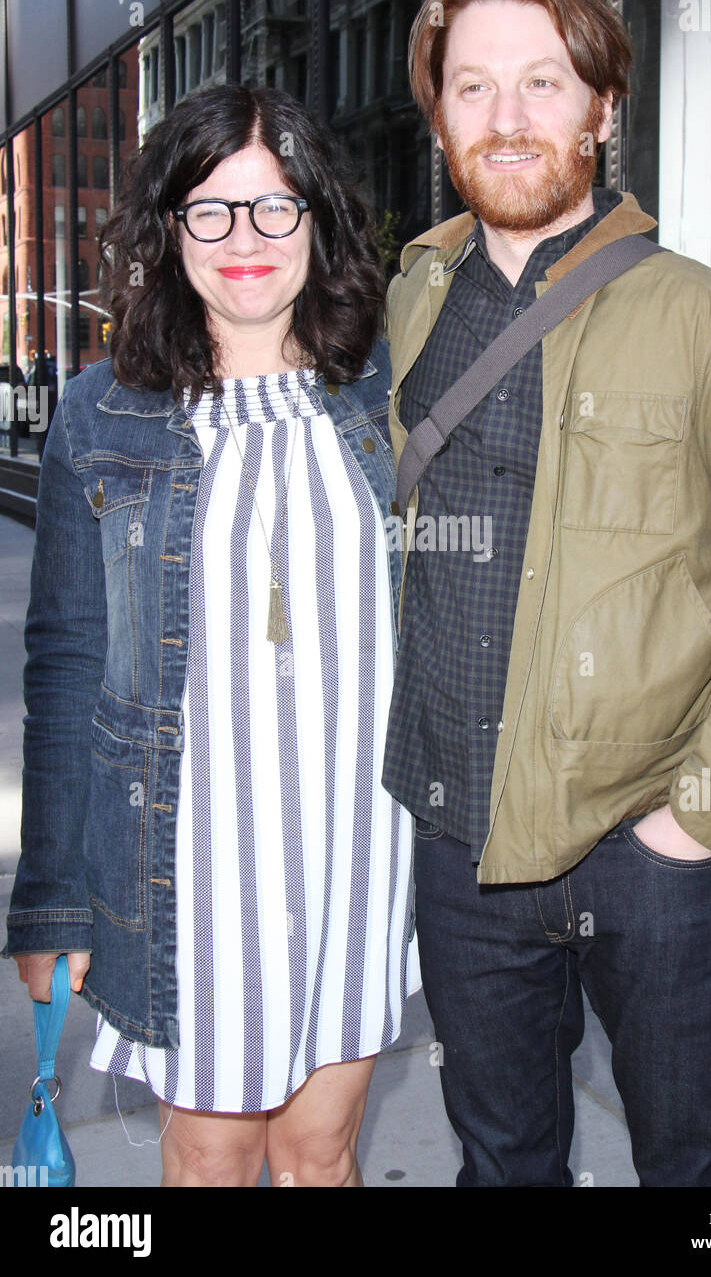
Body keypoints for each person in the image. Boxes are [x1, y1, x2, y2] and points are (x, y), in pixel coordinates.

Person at [380, 0, 711, 1187]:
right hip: (462, 840)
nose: (509, 116)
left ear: (603, 107)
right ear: (439, 119)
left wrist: (703, 823)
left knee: (702, 1175)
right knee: (501, 1164)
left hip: (652, 852)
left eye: (544, 81)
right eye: (474, 86)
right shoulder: (415, 299)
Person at [4, 84, 420, 1187]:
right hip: (189, 860)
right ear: (167, 232)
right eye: (211, 211)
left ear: (318, 223)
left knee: (320, 1149)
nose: (245, 240)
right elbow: (68, 657)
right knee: (211, 1153)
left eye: (275, 208)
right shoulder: (104, 414)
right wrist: (49, 895)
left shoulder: (385, 388)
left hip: (357, 843)